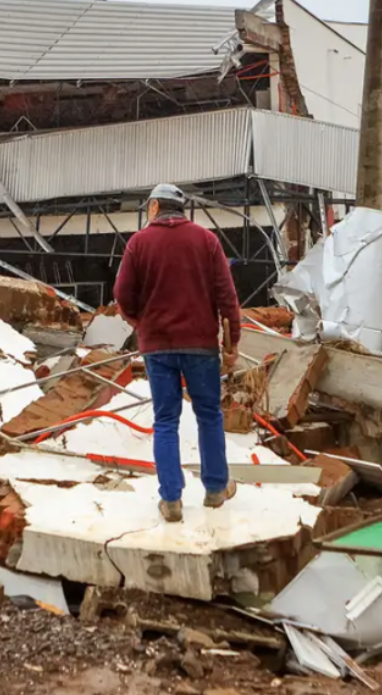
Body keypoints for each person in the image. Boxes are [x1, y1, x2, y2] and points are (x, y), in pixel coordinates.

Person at [113, 183, 242, 523]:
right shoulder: (206, 240)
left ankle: (171, 499)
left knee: (166, 421)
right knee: (209, 414)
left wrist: (142, 323)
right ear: (180, 209)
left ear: (155, 206)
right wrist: (233, 344)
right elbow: (227, 298)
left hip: (158, 348)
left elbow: (122, 295)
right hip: (201, 345)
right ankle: (216, 490)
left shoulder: (139, 243)